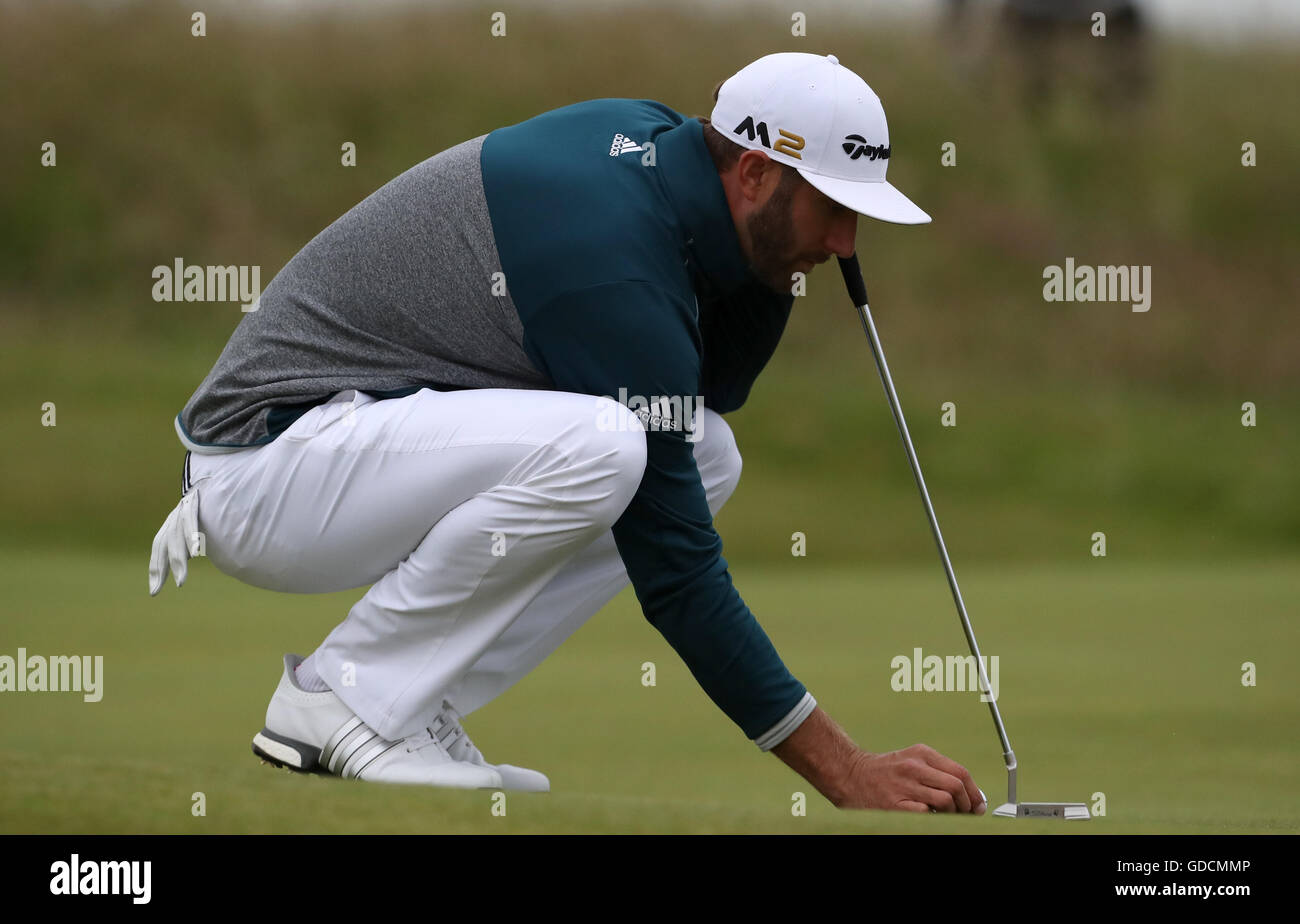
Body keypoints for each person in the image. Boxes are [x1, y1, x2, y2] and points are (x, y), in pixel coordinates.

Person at [148, 52, 986, 814]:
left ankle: (410, 706)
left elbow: (709, 388)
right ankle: (345, 699)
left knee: (700, 449)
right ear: (758, 174)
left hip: (350, 447)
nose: (844, 244)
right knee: (608, 445)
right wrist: (844, 770)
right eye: (833, 210)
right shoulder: (615, 262)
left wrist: (769, 260)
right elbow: (678, 572)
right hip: (264, 468)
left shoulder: (669, 161)